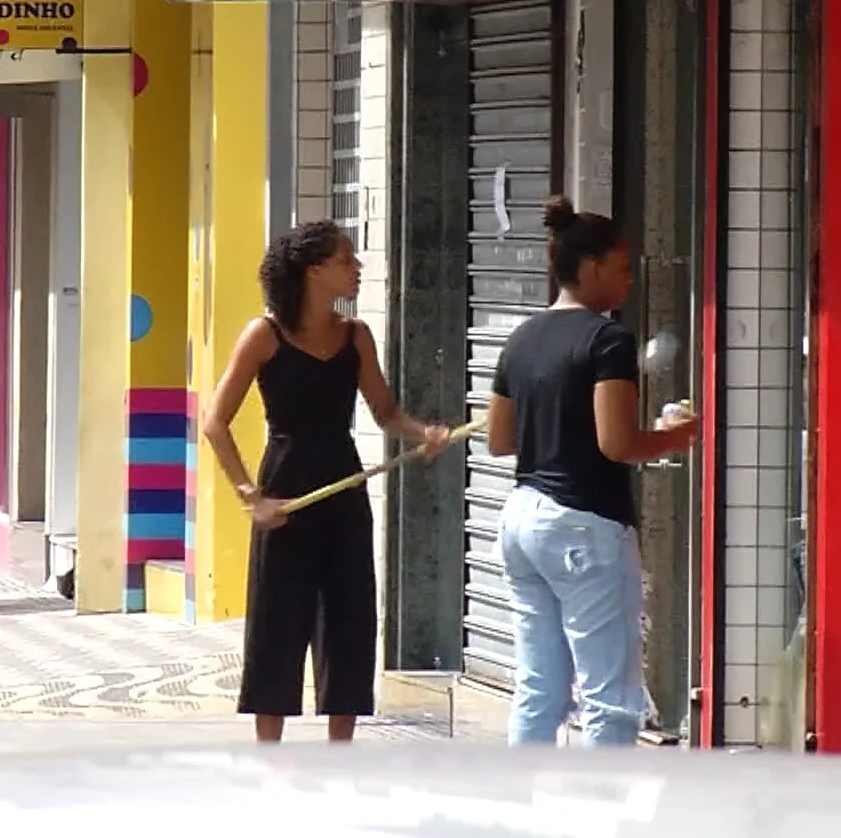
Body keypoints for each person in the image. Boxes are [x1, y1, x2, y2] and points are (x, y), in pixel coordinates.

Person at [202, 219, 451, 744]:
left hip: (344, 484)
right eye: (346, 260)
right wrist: (252, 497)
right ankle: (269, 758)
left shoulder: (356, 336)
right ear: (314, 269)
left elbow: (385, 412)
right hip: (285, 487)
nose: (356, 268)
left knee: (348, 617)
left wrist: (422, 433)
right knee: (277, 621)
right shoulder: (264, 335)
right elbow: (215, 422)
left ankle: (341, 755)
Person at [485, 195, 698, 747]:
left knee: (540, 690)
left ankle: (518, 815)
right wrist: (678, 435)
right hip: (584, 525)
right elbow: (618, 443)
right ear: (591, 266)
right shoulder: (609, 340)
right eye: (623, 266)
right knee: (611, 697)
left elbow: (499, 440)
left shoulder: (521, 338)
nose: (629, 279)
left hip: (522, 518)